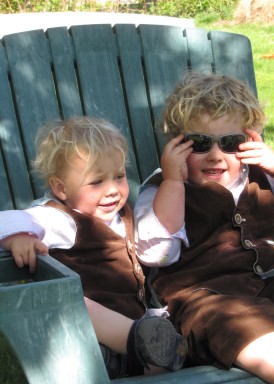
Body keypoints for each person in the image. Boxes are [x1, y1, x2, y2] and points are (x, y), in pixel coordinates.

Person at [134, 71, 274, 384]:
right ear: (177, 144)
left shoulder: (260, 174)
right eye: (200, 143)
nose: (216, 155)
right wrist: (172, 182)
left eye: (230, 143)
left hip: (273, 283)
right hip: (204, 302)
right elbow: (157, 253)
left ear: (248, 142)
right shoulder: (160, 189)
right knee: (233, 320)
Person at [0, 116, 187, 378]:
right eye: (96, 182)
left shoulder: (120, 215)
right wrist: (19, 237)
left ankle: (154, 350)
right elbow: (6, 220)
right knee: (77, 301)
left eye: (119, 176)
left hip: (135, 328)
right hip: (87, 336)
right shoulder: (60, 218)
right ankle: (144, 345)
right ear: (60, 188)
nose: (112, 190)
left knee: (160, 360)